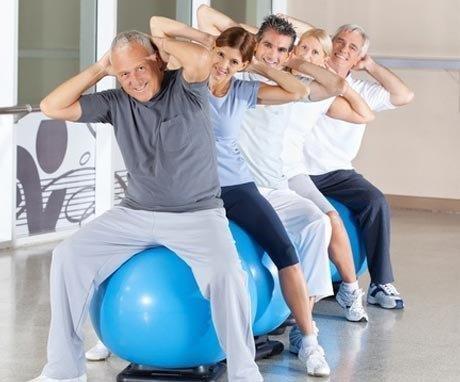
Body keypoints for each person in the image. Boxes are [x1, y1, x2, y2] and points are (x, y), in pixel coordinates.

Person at [88, 17, 331, 377]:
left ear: (243, 66)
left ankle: (309, 340)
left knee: (284, 250)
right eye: (220, 56)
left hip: (234, 187)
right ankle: (111, 333)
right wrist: (207, 39)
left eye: (234, 62)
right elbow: (157, 29)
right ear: (211, 52)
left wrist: (261, 62)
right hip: (181, 189)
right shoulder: (184, 81)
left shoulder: (243, 93)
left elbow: (296, 91)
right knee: (124, 247)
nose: (223, 66)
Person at [29, 30, 263, 382]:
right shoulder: (116, 101)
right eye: (124, 74)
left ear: (156, 59)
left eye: (140, 68)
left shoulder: (186, 87)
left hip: (197, 214)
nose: (134, 80)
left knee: (227, 274)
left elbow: (201, 60)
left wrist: (162, 45)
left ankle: (245, 373)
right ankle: (64, 370)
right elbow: (52, 106)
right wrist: (98, 69)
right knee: (67, 256)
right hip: (134, 213)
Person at [197, 3, 364, 356]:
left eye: (282, 48)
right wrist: (252, 54)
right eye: (268, 45)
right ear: (256, 44)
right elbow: (202, 14)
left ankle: (304, 318)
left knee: (317, 223)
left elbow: (335, 84)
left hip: (272, 186)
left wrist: (290, 62)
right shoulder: (235, 75)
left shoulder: (293, 84)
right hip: (233, 186)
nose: (274, 54)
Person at [296, 22, 414, 309]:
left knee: (375, 201)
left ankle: (380, 283)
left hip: (338, 172)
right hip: (299, 171)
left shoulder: (361, 90)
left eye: (352, 47)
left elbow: (404, 95)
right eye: (338, 41)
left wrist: (370, 66)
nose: (343, 49)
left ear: (359, 55)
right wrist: (319, 40)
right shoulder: (304, 76)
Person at [282, 28, 375, 322]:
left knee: (331, 219)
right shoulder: (270, 82)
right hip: (262, 173)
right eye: (302, 49)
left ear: (323, 61)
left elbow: (365, 114)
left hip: (293, 172)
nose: (306, 56)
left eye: (315, 53)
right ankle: (302, 319)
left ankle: (350, 288)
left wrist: (304, 66)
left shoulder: (319, 95)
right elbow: (207, 16)